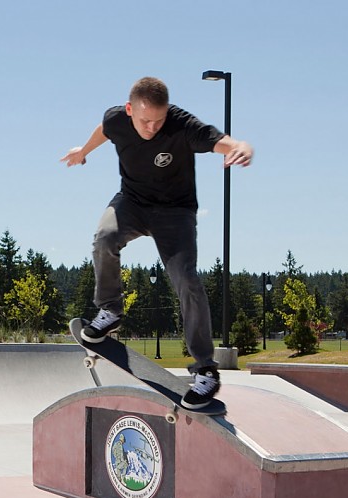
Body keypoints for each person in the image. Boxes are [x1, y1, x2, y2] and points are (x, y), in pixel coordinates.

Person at [61, 76, 253, 409]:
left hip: (175, 213)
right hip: (132, 203)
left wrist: (238, 146)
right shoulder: (115, 119)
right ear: (129, 109)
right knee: (105, 237)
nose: (151, 127)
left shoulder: (181, 124)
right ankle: (109, 310)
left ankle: (205, 369)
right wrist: (82, 151)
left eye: (158, 120)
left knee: (186, 280)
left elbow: (216, 139)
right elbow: (104, 131)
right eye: (144, 120)